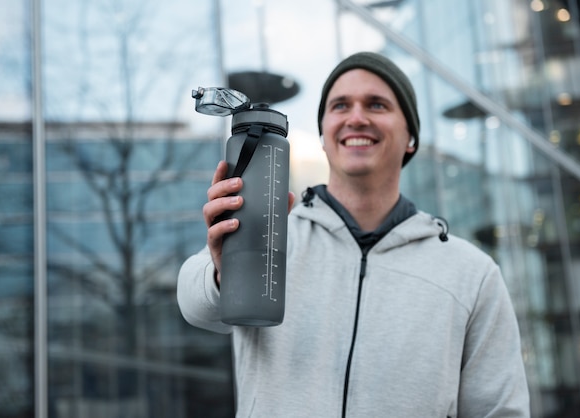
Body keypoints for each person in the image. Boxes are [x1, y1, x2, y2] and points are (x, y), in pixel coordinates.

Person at [177, 51, 530, 417]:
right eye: (341, 105)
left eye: (377, 105)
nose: (356, 118)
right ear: (324, 136)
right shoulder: (272, 235)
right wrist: (225, 270)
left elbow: (500, 410)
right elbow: (195, 305)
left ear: (411, 138)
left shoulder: (471, 273)